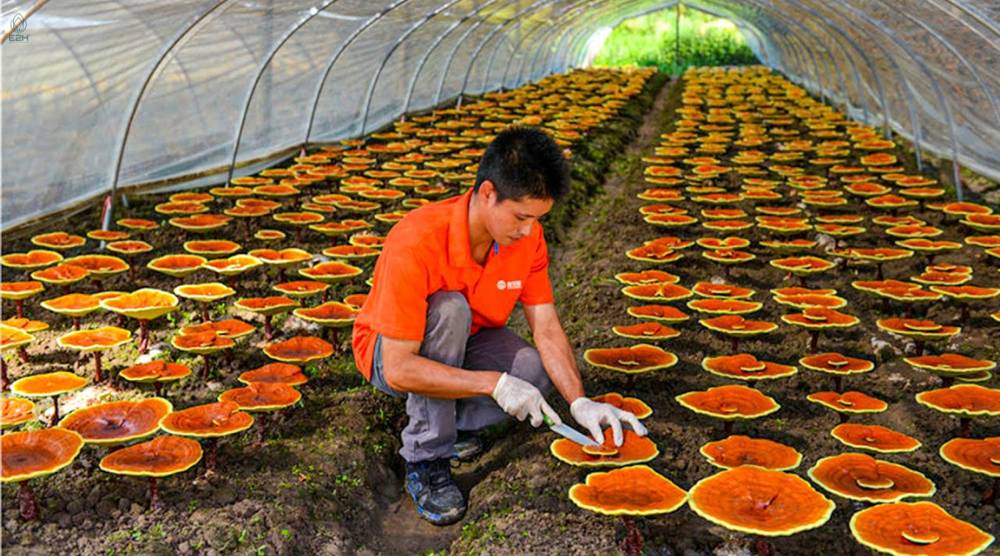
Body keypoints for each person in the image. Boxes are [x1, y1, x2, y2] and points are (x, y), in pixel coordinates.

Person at [351, 126, 647, 526]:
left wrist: (579, 401)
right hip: (395, 352)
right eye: (521, 216)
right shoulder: (416, 240)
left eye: (538, 219)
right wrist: (493, 384)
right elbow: (401, 368)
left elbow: (545, 327)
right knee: (451, 310)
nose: (529, 230)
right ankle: (426, 459)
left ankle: (450, 424)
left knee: (532, 370)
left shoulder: (528, 239)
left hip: (468, 342)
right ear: (488, 193)